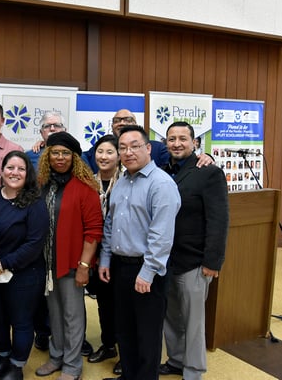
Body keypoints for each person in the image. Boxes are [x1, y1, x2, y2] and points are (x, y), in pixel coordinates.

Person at [99, 125, 181, 380]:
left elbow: (162, 236)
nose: (128, 152)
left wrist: (147, 273)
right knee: (125, 329)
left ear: (148, 148)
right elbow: (111, 223)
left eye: (134, 146)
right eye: (122, 147)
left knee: (147, 334)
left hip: (148, 271)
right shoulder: (122, 181)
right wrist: (105, 259)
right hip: (120, 267)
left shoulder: (162, 184)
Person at [159, 122, 229, 380]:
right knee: (172, 316)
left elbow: (219, 220)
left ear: (195, 142)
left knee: (193, 321)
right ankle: (176, 361)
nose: (176, 143)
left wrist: (213, 262)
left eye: (182, 139)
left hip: (195, 262)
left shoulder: (209, 172)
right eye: (171, 139)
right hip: (168, 260)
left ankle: (194, 370)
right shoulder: (163, 170)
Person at [34, 132, 103, 380]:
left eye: (65, 153)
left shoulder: (85, 188)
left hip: (73, 263)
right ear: (47, 155)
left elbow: (94, 230)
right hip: (47, 263)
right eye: (55, 152)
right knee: (54, 314)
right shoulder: (42, 184)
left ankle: (72, 365)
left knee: (73, 316)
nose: (60, 157)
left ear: (74, 157)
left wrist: (85, 265)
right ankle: (56, 357)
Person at [0, 151, 49, 380]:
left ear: (28, 174)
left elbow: (34, 244)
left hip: (24, 273)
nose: (15, 172)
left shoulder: (35, 203)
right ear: (2, 171)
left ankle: (15, 368)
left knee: (21, 321)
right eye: (10, 167)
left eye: (21, 169)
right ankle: (2, 360)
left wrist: (3, 263)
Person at [25, 111, 67, 352]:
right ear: (41, 133)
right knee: (41, 285)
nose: (52, 128)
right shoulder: (30, 155)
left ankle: (73, 337)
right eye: (47, 126)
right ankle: (43, 331)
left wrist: (206, 155)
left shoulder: (77, 154)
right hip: (38, 229)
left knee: (68, 289)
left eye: (57, 125)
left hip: (65, 231)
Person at [85, 135, 122, 375]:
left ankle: (126, 352)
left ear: (119, 155)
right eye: (100, 151)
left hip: (122, 252)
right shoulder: (89, 182)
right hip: (96, 254)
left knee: (124, 305)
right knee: (104, 303)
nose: (104, 156)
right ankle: (109, 345)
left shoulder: (128, 180)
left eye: (110, 152)